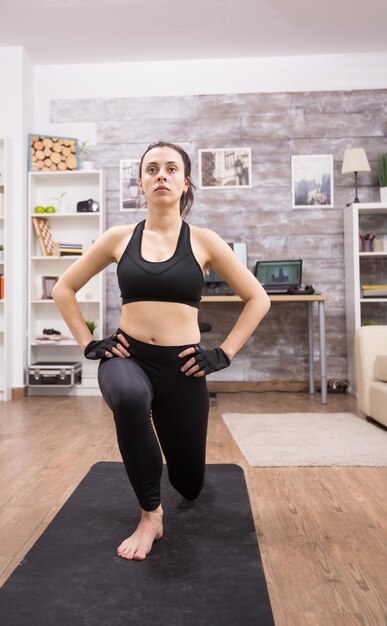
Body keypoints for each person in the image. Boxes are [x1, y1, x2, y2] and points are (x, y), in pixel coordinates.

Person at [52, 141, 271, 561]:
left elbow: (257, 297)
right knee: (130, 399)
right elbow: (64, 288)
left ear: (185, 182)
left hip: (184, 367)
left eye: (172, 169)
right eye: (152, 169)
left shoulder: (205, 241)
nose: (161, 175)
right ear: (141, 182)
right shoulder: (119, 237)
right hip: (128, 358)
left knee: (189, 483)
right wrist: (88, 342)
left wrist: (222, 353)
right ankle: (151, 516)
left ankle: (177, 488)